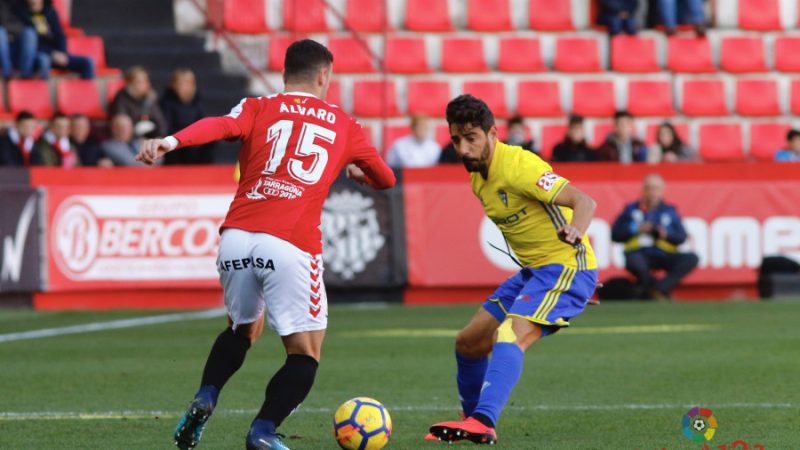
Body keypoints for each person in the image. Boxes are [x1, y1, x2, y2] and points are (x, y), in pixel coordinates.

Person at [135, 39, 395, 450]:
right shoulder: (345, 124)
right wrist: (358, 172)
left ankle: (207, 394)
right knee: (305, 353)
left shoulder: (258, 106)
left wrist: (171, 142)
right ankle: (263, 430)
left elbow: (219, 125)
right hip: (290, 243)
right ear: (324, 75)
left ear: (285, 73)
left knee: (242, 328)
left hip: (236, 237)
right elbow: (386, 178)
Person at [426, 95, 598, 445]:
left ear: (493, 133)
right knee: (469, 343)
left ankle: (485, 421)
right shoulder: (478, 178)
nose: (463, 149)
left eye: (471, 137)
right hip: (537, 274)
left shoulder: (520, 166)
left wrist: (576, 239)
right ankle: (472, 421)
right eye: (456, 140)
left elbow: (585, 201)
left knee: (509, 333)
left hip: (564, 265)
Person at [611, 174, 698, 300]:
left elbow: (682, 237)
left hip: (664, 253)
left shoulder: (670, 211)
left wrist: (665, 234)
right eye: (649, 188)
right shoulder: (630, 210)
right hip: (639, 253)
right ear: (643, 189)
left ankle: (658, 289)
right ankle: (654, 291)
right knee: (635, 262)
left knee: (691, 258)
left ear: (662, 190)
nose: (652, 192)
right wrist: (636, 229)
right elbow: (615, 234)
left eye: (656, 188)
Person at [15, 0, 95, 79]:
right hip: (37, 54)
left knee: (88, 62)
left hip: (57, 54)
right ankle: (39, 90)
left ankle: (83, 91)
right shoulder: (21, 14)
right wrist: (51, 53)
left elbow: (60, 35)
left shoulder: (50, 12)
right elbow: (27, 44)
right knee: (44, 61)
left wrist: (63, 53)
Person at [160, 68, 214, 165]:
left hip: (194, 137)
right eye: (182, 83)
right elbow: (167, 127)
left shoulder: (197, 102)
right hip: (177, 139)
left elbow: (203, 122)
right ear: (174, 85)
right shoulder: (166, 102)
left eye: (189, 83)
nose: (186, 87)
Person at [109, 65, 167, 139]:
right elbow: (122, 124)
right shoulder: (121, 98)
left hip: (150, 138)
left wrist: (158, 137)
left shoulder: (151, 98)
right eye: (139, 81)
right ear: (130, 83)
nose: (144, 84)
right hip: (129, 139)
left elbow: (161, 122)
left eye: (145, 80)